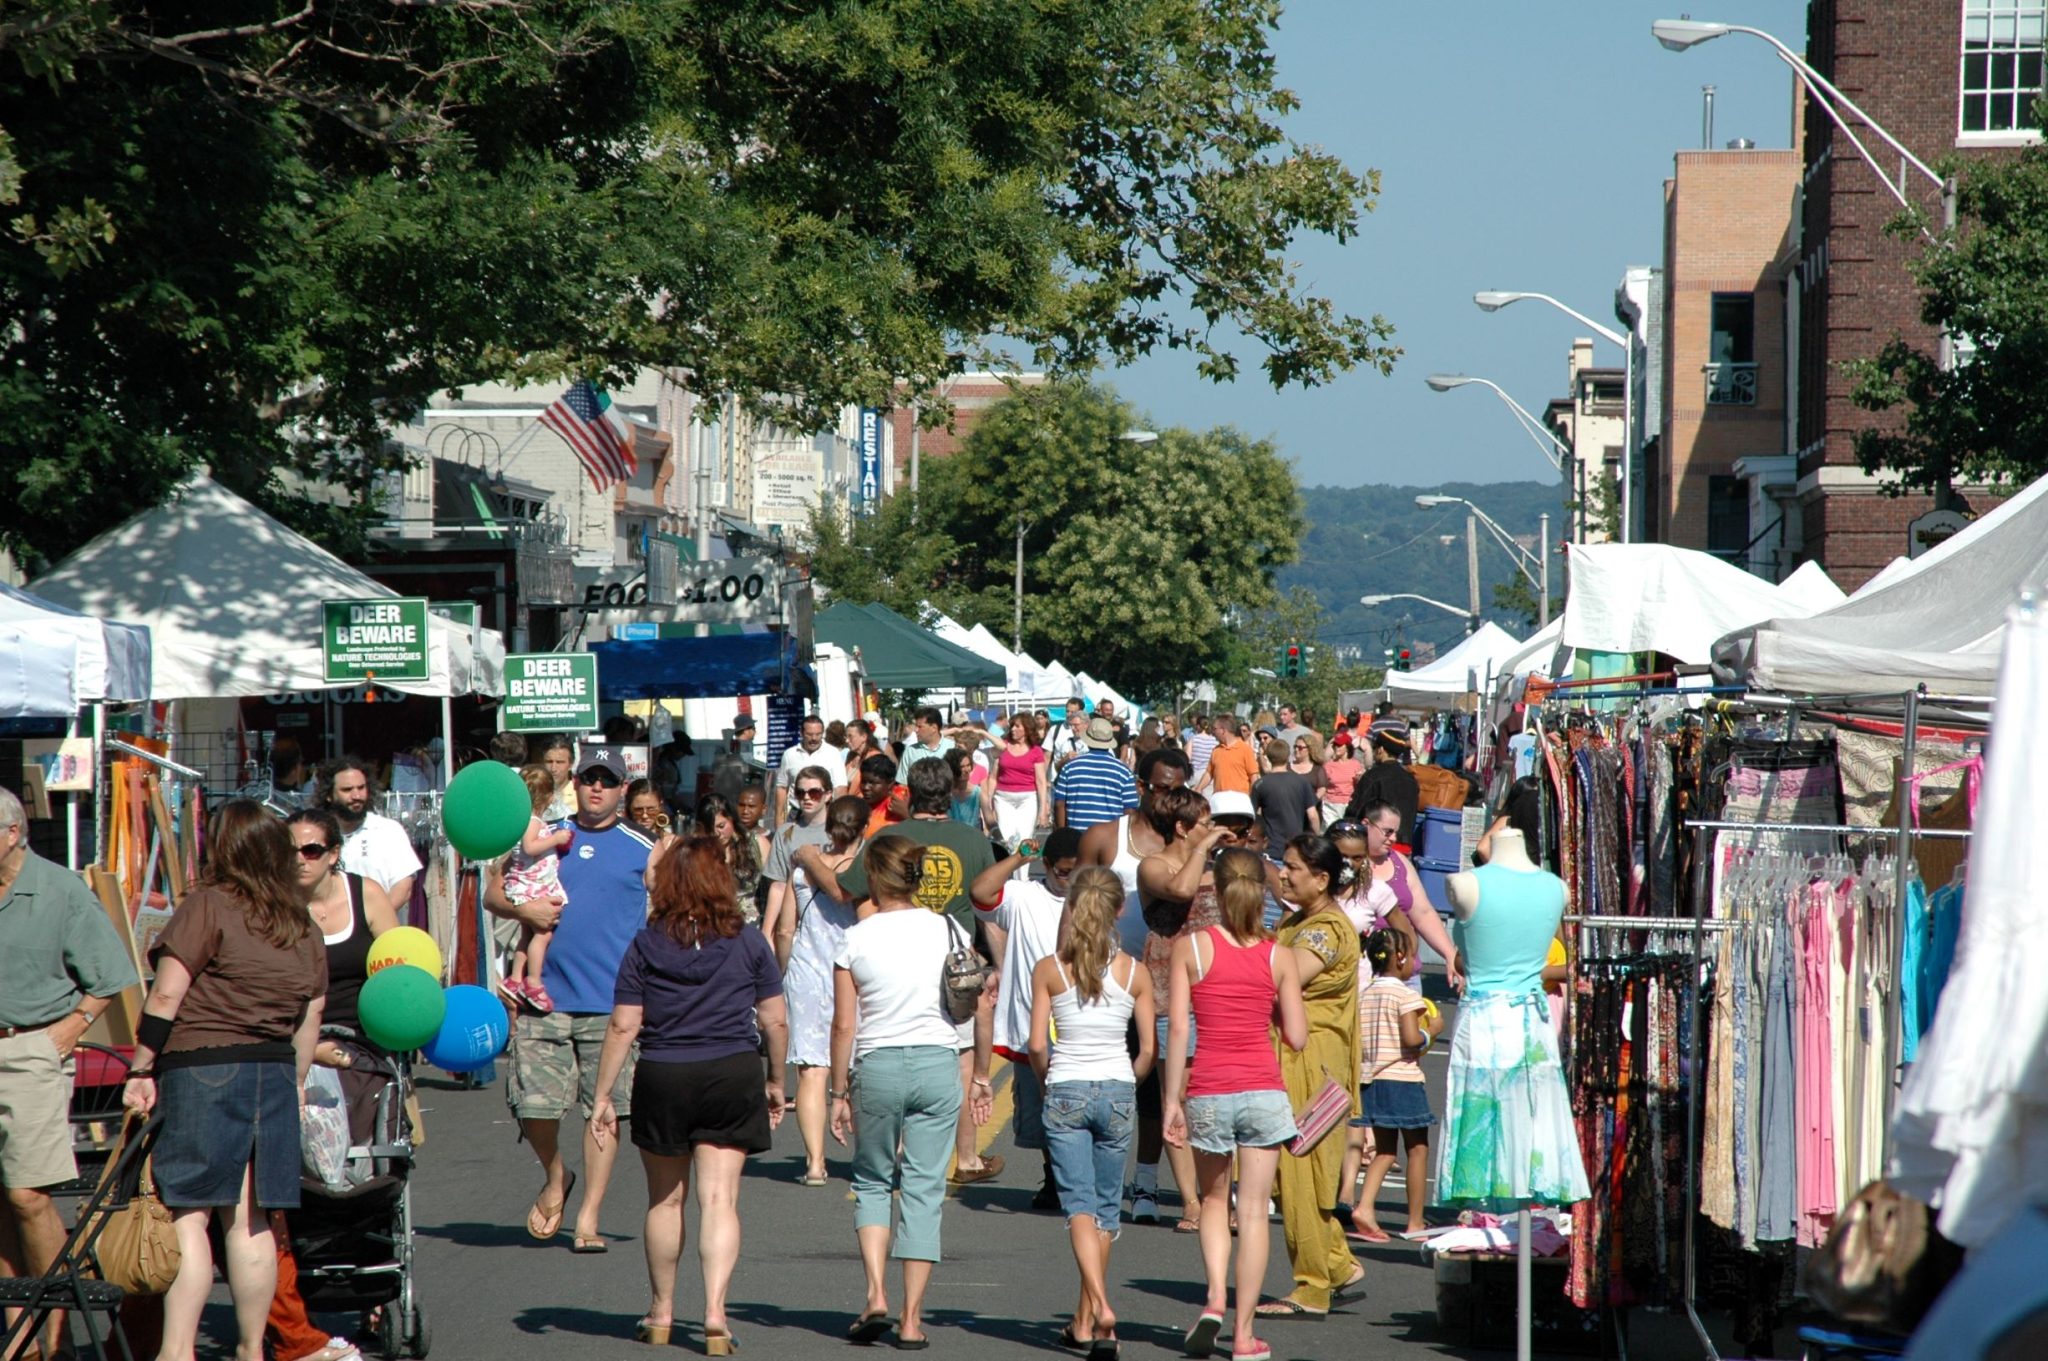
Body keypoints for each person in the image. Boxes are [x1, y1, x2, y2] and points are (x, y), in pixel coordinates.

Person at [121, 800, 328, 1361]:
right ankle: (251, 1348)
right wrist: (299, 1079)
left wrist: (142, 1065)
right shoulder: (300, 924)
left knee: (190, 1212)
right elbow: (311, 1012)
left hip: (203, 1068)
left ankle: (178, 1350)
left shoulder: (208, 906)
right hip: (275, 1070)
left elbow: (166, 994)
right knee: (252, 1220)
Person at [588, 837, 787, 1355]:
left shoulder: (647, 942)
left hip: (665, 1072)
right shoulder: (747, 942)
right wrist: (776, 1080)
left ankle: (660, 1312)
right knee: (719, 1199)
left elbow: (623, 1023)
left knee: (665, 1199)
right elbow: (774, 1018)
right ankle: (717, 1315)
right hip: (731, 1070)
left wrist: (603, 1095)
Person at [485, 745, 656, 1255]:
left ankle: (588, 1218)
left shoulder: (644, 846)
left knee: (602, 1112)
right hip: (546, 996)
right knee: (531, 1106)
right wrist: (528, 912)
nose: (596, 787)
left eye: (608, 779)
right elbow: (494, 894)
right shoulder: (544, 836)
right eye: (588, 778)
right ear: (573, 783)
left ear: (624, 789)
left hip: (613, 1005)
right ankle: (557, 1175)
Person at [828, 836, 995, 1350]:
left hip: (877, 1064)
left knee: (874, 1181)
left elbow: (843, 1026)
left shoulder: (856, 938)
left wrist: (838, 1093)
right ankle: (911, 1320)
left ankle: (875, 1292)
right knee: (923, 1190)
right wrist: (982, 1073)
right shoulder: (948, 927)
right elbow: (975, 993)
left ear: (876, 880)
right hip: (937, 1063)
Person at [0, 788, 139, 1361]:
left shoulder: (59, 888)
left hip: (30, 1052)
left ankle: (53, 1332)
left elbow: (111, 975)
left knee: (27, 1194)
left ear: (12, 833)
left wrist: (72, 1026)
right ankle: (20, 1338)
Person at [265, 810, 402, 1361]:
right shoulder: (274, 905)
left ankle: (377, 1275)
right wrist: (313, 1047)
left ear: (335, 853)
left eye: (312, 850)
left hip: (367, 1044)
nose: (301, 860)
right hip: (296, 1041)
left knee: (381, 1145)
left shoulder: (365, 895)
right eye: (292, 851)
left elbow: (398, 971)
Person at [1163, 847, 1308, 1361]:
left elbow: (1179, 1028)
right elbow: (1296, 1036)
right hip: (1264, 1090)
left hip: (1209, 1088)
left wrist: (1171, 1102)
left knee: (1211, 1204)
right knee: (1253, 1211)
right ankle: (1244, 1336)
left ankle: (1214, 1298)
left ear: (1217, 891)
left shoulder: (1192, 948)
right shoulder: (1279, 955)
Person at [829, 759, 1003, 1186]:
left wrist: (809, 860)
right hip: (954, 957)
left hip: (892, 953)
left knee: (894, 1049)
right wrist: (996, 963)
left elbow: (845, 887)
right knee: (959, 1063)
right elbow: (988, 906)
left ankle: (897, 1155)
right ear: (952, 789)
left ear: (907, 792)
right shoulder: (972, 839)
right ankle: (965, 1157)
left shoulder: (888, 836)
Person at [1028, 867, 1156, 1358]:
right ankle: (1089, 1320)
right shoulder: (1134, 972)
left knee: (1078, 1205)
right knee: (1106, 1211)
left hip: (1066, 1086)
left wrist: (1046, 1081)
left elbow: (1039, 1044)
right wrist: (1130, 1081)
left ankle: (1098, 1308)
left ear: (1072, 907)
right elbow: (1147, 1051)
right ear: (1119, 910)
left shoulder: (1050, 969)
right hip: (1119, 1088)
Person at [1076, 748, 1188, 1224]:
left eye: (1178, 790)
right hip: (1106, 979)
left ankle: (1145, 1183)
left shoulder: (1187, 838)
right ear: (1141, 785)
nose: (1169, 798)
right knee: (1095, 1081)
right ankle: (1084, 1180)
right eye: (1161, 788)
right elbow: (1075, 902)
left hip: (1165, 982)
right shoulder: (1106, 837)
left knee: (1153, 1089)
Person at [1258, 835, 1364, 1319]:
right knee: (1292, 1169)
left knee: (1299, 1170)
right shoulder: (1302, 921)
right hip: (1299, 1059)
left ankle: (1313, 1284)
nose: (1285, 874)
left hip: (1312, 1065)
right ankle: (1337, 1264)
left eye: (1294, 868)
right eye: (1284, 865)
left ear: (1321, 879)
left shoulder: (1324, 931)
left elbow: (1284, 978)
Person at [969, 829, 1084, 1212]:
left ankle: (1081, 1181)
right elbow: (981, 892)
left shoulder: (1092, 896)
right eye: (1065, 872)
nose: (1071, 879)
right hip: (1031, 1024)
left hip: (1080, 1024)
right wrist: (1019, 858)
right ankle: (1054, 1177)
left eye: (1079, 871)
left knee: (1077, 1106)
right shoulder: (1023, 896)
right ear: (1047, 867)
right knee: (1043, 1110)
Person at [1135, 788, 1231, 1235]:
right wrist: (1204, 849)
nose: (1211, 830)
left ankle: (1216, 1195)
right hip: (1165, 995)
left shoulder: (1216, 869)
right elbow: (1181, 889)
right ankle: (1192, 1201)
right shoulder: (1154, 866)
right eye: (1204, 823)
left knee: (1210, 1098)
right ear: (1181, 827)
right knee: (1177, 1097)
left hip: (1215, 992)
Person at [780, 796, 868, 1185]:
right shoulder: (863, 869)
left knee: (810, 1070)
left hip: (806, 970)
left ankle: (815, 1164)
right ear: (863, 828)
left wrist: (784, 967)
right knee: (859, 1065)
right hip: (854, 972)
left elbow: (785, 928)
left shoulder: (802, 862)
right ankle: (868, 1160)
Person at [1349, 928, 1439, 1243]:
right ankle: (1415, 1221)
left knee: (1384, 1151)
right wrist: (1433, 1031)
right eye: (1412, 955)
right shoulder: (1405, 995)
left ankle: (1364, 1206)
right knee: (1417, 1148)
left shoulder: (1366, 994)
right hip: (1402, 1079)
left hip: (1372, 1080)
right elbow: (1412, 1040)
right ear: (1399, 958)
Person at [1354, 801, 1460, 988]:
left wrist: (1450, 955)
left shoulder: (1399, 862)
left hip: (1404, 972)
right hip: (1363, 973)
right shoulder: (1347, 866)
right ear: (1366, 824)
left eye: (1396, 832)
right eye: (1387, 831)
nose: (1393, 838)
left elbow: (1423, 913)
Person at [503, 764, 576, 1013]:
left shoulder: (521, 820)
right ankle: (533, 980)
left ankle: (514, 979)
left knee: (526, 935)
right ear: (548, 797)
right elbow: (530, 847)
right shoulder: (532, 821)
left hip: (526, 883)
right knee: (543, 934)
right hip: (532, 886)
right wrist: (555, 839)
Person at [760, 765, 838, 970]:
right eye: (800, 792)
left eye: (814, 792)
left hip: (834, 921)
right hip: (796, 926)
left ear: (828, 795)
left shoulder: (841, 831)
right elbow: (777, 886)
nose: (807, 798)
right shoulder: (786, 832)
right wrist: (767, 932)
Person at [322, 756, 421, 907]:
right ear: (329, 795)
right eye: (347, 790)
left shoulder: (388, 830)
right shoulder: (319, 833)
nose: (357, 796)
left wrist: (375, 919)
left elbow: (403, 887)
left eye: (361, 788)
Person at [1051, 717, 1139, 833]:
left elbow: (1059, 804)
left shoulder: (1070, 768)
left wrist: (1061, 834)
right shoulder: (1123, 771)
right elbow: (1130, 809)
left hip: (1076, 836)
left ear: (1087, 740)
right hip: (1110, 839)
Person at [1342, 717, 1420, 844]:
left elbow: (1355, 811)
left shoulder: (1373, 776)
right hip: (1404, 844)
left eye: (1375, 748)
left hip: (1378, 845)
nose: (1373, 752)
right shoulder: (1411, 779)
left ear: (1381, 750)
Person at [695, 795, 764, 926]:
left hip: (750, 924)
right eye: (710, 829)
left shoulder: (756, 844)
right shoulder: (696, 852)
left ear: (731, 819)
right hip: (711, 924)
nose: (717, 834)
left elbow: (772, 888)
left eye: (721, 826)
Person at [990, 713, 1051, 852]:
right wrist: (989, 802)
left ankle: (1023, 874)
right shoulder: (1003, 746)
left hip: (1028, 799)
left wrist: (1043, 810)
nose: (1012, 729)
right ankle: (1009, 871)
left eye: (1017, 726)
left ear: (1027, 728)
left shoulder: (1036, 751)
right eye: (1012, 726)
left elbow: (1041, 781)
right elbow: (993, 776)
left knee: (1025, 840)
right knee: (1007, 839)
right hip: (1003, 798)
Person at [775, 715, 849, 825]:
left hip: (824, 814)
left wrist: (839, 819)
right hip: (796, 815)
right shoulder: (789, 755)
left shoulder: (833, 753)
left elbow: (840, 788)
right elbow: (781, 787)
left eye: (818, 734)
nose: (814, 738)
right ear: (801, 733)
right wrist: (779, 819)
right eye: (809, 734)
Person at [1252, 739, 1320, 850]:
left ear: (1268, 757)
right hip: (1296, 846)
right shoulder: (1302, 782)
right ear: (1288, 756)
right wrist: (1317, 838)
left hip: (1271, 845)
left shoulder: (1260, 784)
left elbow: (1253, 816)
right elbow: (1313, 816)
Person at [1191, 716, 1257, 797]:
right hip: (1219, 800)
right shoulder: (1216, 750)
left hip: (1239, 801)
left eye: (1214, 729)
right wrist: (1199, 788)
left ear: (1223, 730)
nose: (1212, 732)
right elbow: (1209, 773)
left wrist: (1254, 799)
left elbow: (1253, 776)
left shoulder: (1245, 749)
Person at [894, 707, 953, 782]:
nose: (916, 730)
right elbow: (902, 782)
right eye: (916, 726)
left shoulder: (952, 747)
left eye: (920, 727)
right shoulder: (910, 751)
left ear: (934, 728)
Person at [1319, 732, 1363, 829]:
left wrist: (1359, 779)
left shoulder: (1356, 765)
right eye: (1335, 745)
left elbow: (1360, 787)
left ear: (1347, 746)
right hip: (1330, 805)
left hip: (1348, 805)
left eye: (1339, 745)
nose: (1336, 747)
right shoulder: (1328, 765)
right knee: (1331, 832)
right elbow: (1322, 786)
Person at [943, 746, 989, 832]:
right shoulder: (945, 793)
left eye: (968, 765)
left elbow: (989, 819)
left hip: (974, 839)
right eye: (962, 767)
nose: (967, 770)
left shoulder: (978, 792)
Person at [534, 735, 577, 820]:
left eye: (560, 762)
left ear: (571, 764)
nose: (553, 768)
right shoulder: (534, 793)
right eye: (549, 762)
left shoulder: (579, 796)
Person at [1183, 714, 1217, 786]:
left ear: (1198, 726)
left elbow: (1187, 757)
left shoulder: (1194, 739)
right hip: (1209, 776)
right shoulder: (1215, 742)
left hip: (1195, 774)